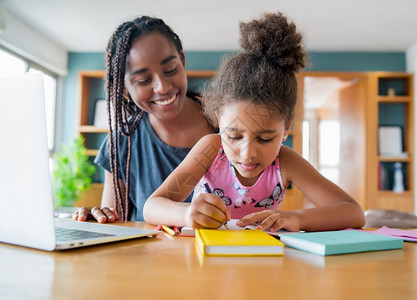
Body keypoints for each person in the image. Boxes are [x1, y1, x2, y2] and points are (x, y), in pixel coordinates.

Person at [144, 12, 366, 232]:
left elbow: (353, 212)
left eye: (265, 138)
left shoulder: (285, 161)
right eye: (234, 136)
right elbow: (152, 207)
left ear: (286, 128)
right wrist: (185, 213)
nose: (248, 152)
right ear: (218, 121)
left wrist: (296, 218)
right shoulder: (211, 150)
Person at [72, 16, 215, 222]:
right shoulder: (122, 143)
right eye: (143, 80)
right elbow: (114, 224)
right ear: (123, 88)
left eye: (170, 70)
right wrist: (98, 219)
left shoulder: (230, 128)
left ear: (182, 62)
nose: (162, 87)